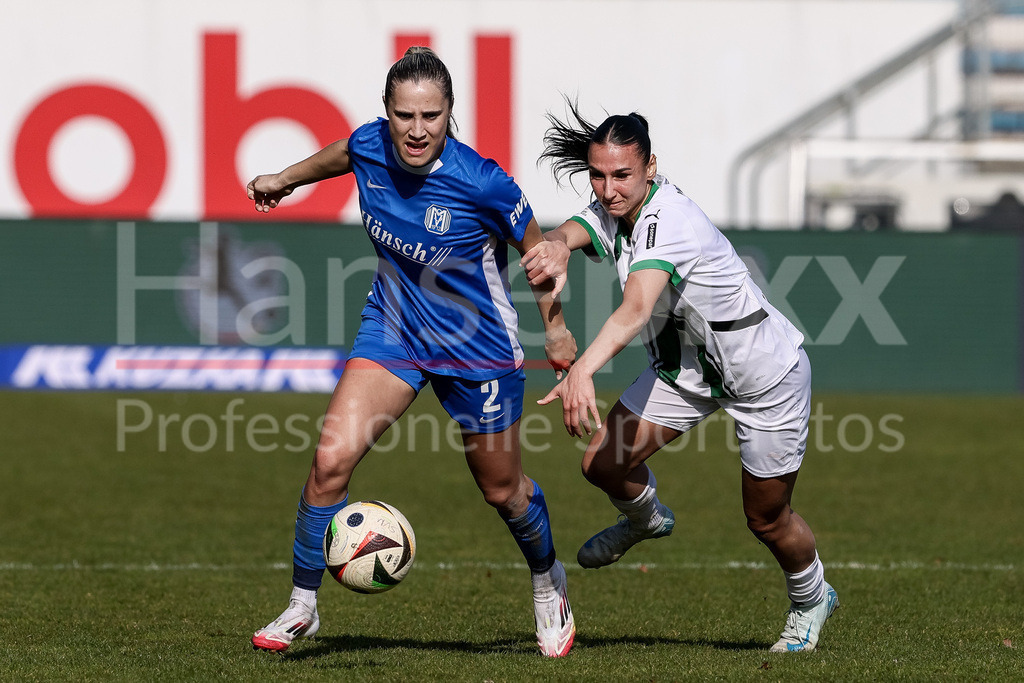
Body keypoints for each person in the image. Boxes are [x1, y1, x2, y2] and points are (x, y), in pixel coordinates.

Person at [245, 48, 577, 657]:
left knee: (503, 491)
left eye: (432, 115)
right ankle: (302, 605)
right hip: (394, 330)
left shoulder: (483, 182)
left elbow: (541, 258)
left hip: (479, 348)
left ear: (451, 113)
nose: (417, 130)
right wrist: (285, 180)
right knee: (329, 463)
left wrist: (555, 331)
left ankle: (547, 582)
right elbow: (345, 153)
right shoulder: (370, 146)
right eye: (404, 115)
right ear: (386, 114)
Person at [521, 101, 838, 653]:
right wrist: (553, 244)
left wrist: (581, 374)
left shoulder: (670, 221)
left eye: (621, 174)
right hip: (687, 372)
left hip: (764, 375)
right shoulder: (615, 207)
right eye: (597, 175)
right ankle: (645, 519)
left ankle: (812, 598)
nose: (607, 188)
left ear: (650, 168)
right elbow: (575, 228)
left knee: (766, 519)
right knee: (602, 463)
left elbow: (636, 308)